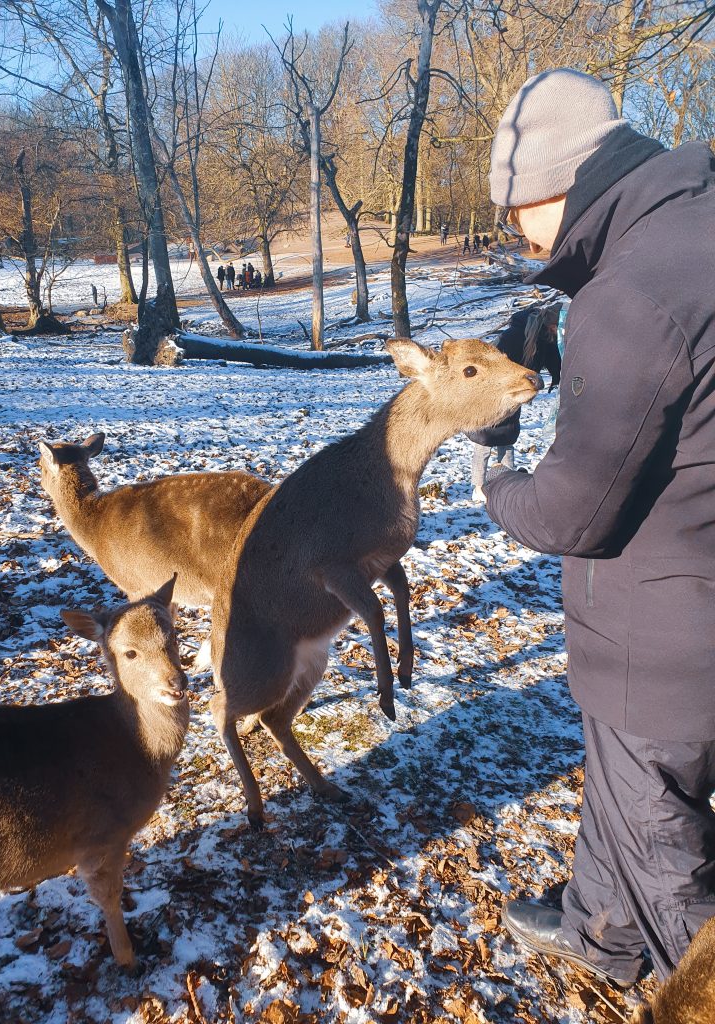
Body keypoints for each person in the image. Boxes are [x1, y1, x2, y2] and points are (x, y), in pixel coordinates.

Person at [484, 67, 715, 990]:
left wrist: (492, 463)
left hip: (662, 647)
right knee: (619, 793)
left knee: (666, 852)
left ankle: (679, 983)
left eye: (515, 211)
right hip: (691, 597)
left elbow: (568, 512)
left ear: (555, 180)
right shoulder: (692, 228)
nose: (519, 233)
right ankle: (599, 930)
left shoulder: (630, 293)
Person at [468, 304, 561, 502]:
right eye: (558, 327)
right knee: (484, 441)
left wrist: (560, 377)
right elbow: (490, 363)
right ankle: (478, 487)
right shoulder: (514, 335)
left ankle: (506, 483)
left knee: (507, 438)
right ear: (551, 325)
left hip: (515, 395)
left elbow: (555, 361)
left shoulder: (545, 339)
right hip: (492, 395)